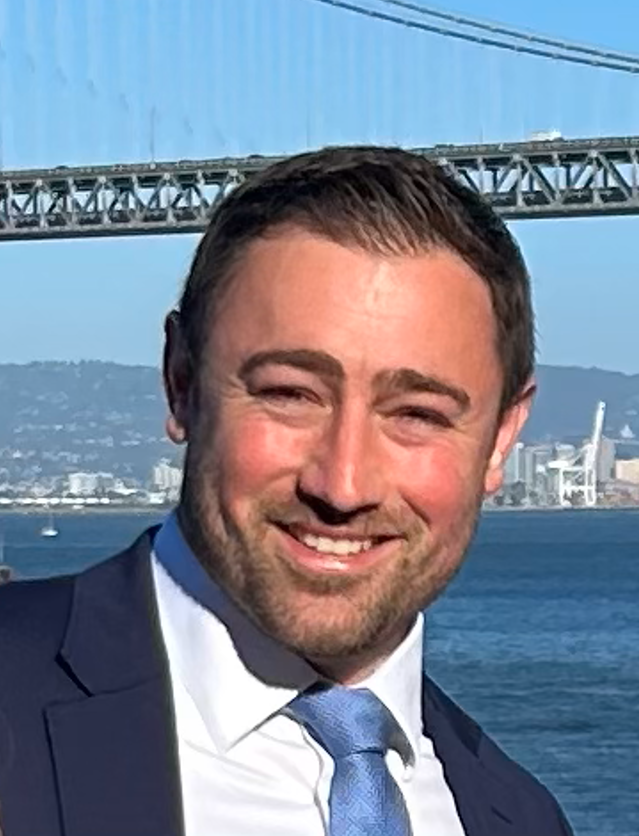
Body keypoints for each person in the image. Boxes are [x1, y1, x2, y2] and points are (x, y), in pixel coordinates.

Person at [0, 146, 574, 836]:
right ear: (181, 381)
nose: (343, 485)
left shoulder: (519, 816)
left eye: (417, 414)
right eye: (290, 394)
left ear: (502, 437)